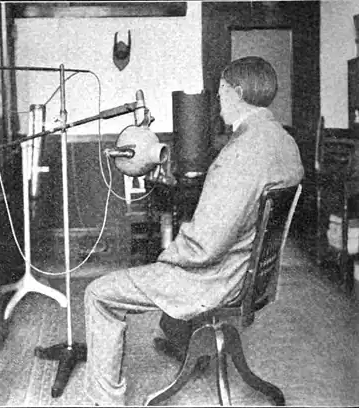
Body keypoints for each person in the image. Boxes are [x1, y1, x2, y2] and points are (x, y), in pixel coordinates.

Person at [83, 56, 304, 406]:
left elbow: (204, 248)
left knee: (99, 292)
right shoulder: (284, 142)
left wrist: (165, 257)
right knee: (169, 268)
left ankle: (105, 400)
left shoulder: (240, 153)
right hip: (253, 276)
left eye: (221, 91)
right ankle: (184, 345)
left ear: (237, 92)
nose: (218, 100)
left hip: (218, 280)